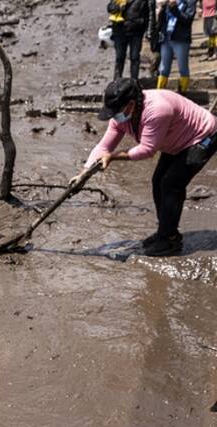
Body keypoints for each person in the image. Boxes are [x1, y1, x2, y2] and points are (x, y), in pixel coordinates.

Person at [70, 78, 217, 257]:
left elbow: (147, 150)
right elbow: (103, 147)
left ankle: (169, 241)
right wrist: (83, 173)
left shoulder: (157, 110)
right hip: (176, 140)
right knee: (157, 181)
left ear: (131, 104)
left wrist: (113, 157)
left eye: (116, 111)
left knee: (171, 183)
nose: (114, 116)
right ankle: (165, 231)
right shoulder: (121, 116)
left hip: (203, 137)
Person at [155, 0, 196, 92]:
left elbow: (187, 20)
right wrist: (160, 10)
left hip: (180, 38)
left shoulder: (189, 2)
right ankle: (159, 93)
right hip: (166, 38)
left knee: (183, 68)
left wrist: (174, 8)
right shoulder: (167, 2)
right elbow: (162, 20)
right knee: (163, 68)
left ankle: (182, 92)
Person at [107, 0, 152, 79]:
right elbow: (110, 8)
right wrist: (118, 7)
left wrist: (148, 31)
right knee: (119, 57)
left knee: (135, 57)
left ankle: (134, 81)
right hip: (119, 31)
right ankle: (116, 81)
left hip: (136, 32)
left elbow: (149, 15)